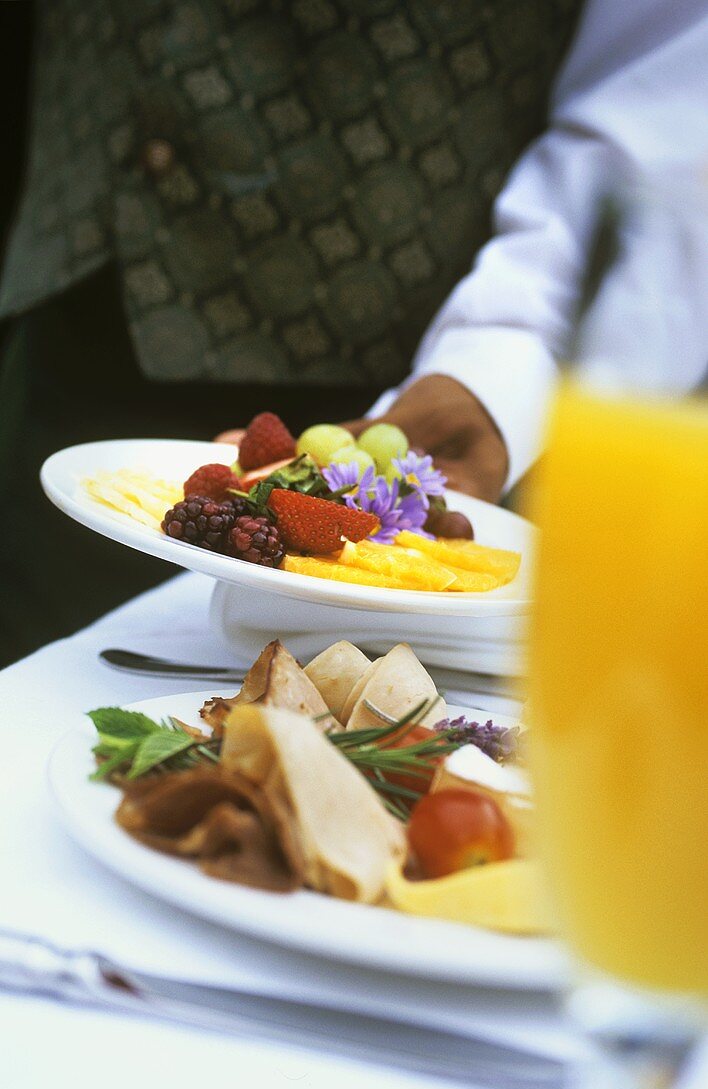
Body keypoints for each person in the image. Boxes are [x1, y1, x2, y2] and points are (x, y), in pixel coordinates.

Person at [0, 0, 705, 665]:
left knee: (344, 742)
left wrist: (500, 360)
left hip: (394, 367)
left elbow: (668, 107)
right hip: (83, 327)